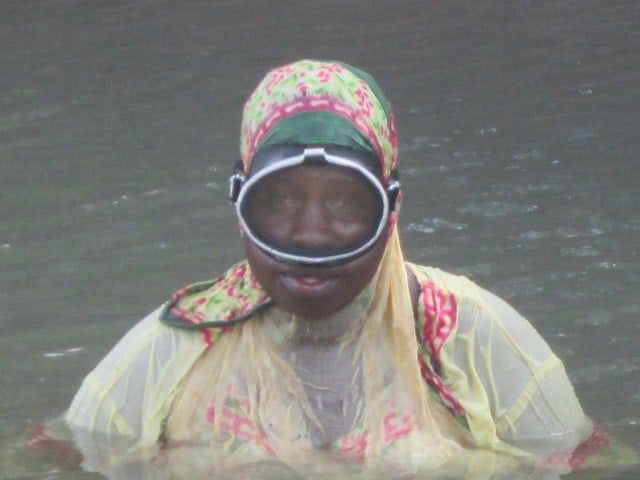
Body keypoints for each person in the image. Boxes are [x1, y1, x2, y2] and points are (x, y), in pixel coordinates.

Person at [58, 59, 608, 476]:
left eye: (346, 205)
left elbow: (583, 464)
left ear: (390, 207)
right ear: (240, 199)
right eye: (279, 202)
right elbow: (57, 457)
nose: (310, 236)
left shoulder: (472, 336)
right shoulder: (172, 349)